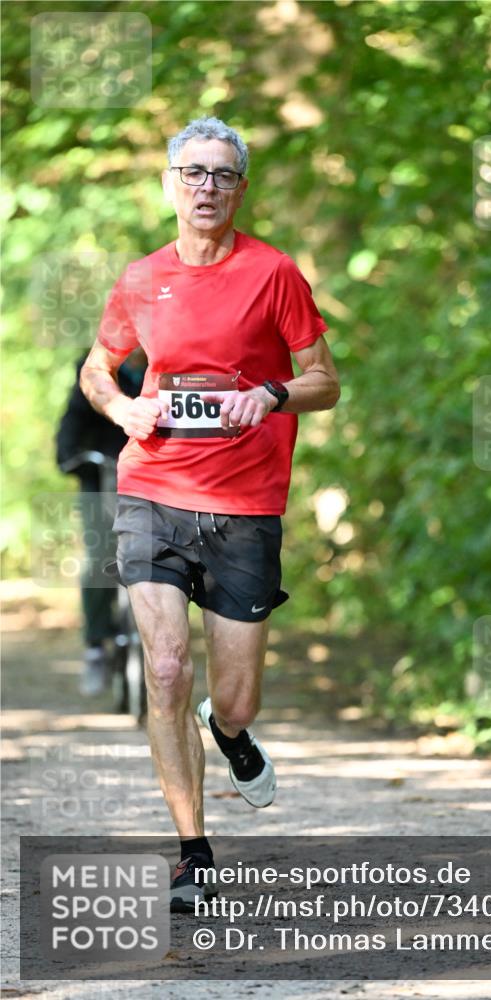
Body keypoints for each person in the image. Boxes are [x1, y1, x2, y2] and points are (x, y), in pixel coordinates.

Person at [79, 116, 340, 912]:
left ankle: (228, 735)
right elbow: (98, 367)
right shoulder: (140, 278)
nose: (206, 188)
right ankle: (194, 851)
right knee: (163, 668)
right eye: (192, 173)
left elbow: (324, 380)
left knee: (234, 699)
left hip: (246, 503)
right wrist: (123, 411)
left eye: (222, 175)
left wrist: (268, 395)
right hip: (152, 489)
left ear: (240, 190)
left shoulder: (274, 274)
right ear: (169, 182)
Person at [56, 349, 146, 695]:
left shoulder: (169, 361)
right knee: (99, 555)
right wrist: (70, 457)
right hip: (101, 475)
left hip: (152, 479)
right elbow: (73, 420)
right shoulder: (97, 368)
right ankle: (96, 645)